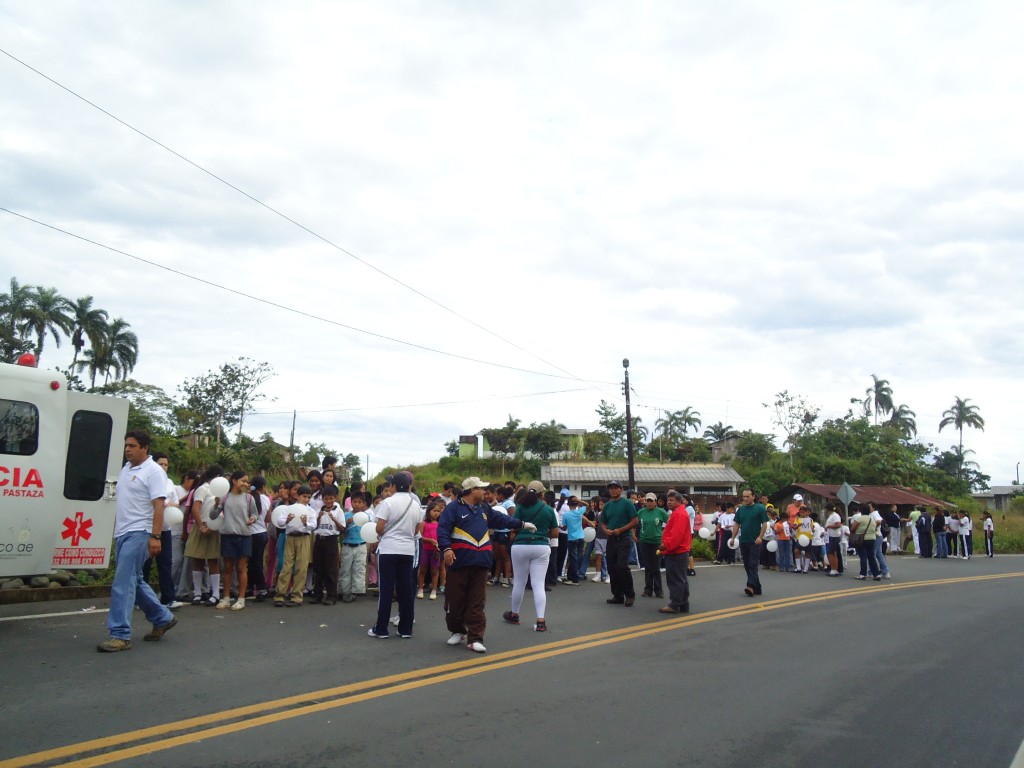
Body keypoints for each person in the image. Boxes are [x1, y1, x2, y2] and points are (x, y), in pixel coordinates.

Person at [97, 430, 176, 652]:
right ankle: (162, 617)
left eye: (132, 446)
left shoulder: (154, 472)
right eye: (126, 446)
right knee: (135, 579)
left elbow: (159, 505)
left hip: (140, 532)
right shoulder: (126, 469)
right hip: (123, 532)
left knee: (123, 582)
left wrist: (155, 536)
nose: (128, 449)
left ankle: (120, 634)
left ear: (144, 448)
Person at [437, 477, 534, 652]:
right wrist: (446, 549)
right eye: (481, 489)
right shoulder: (453, 509)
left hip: (481, 562)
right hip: (459, 562)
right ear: (472, 490)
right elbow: (442, 530)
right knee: (454, 601)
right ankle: (457, 631)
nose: (485, 492)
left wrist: (522, 524)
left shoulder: (484, 508)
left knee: (477, 602)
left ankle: (475, 638)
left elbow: (501, 520)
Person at [368, 471, 422, 639]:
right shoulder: (415, 505)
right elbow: (417, 530)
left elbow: (379, 527)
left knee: (386, 590)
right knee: (405, 590)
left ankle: (381, 629)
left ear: (393, 486)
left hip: (389, 549)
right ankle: (405, 629)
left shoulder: (387, 503)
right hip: (407, 551)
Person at [503, 481, 558, 632]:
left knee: (519, 582)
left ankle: (514, 614)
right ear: (542, 494)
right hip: (541, 547)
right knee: (538, 584)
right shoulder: (548, 509)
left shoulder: (520, 507)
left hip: (520, 546)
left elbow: (515, 525)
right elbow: (555, 533)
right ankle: (540, 620)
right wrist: (541, 534)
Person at [184, 465, 225, 606]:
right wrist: (201, 525)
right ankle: (197, 593)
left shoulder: (220, 492)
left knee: (213, 560)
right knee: (198, 560)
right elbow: (195, 509)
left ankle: (215, 595)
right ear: (218, 476)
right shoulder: (203, 489)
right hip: (202, 525)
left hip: (214, 527)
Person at [216, 470, 257, 610]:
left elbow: (255, 514)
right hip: (227, 535)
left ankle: (241, 598)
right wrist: (216, 505)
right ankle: (226, 598)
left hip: (244, 535)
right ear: (234, 481)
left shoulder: (249, 498)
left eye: (247, 481)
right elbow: (213, 514)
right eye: (243, 481)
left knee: (241, 568)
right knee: (227, 569)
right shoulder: (224, 497)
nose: (245, 484)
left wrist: (253, 519)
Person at [274, 484, 314, 606]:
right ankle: (280, 595)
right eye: (304, 496)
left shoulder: (310, 510)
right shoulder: (289, 508)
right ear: (297, 496)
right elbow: (280, 522)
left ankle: (296, 597)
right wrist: (287, 520)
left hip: (304, 538)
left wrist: (305, 523)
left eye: (308, 497)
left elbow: (313, 525)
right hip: (290, 537)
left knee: (301, 567)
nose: (306, 499)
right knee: (286, 566)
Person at [600, 480, 638, 607]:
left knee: (622, 566)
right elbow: (603, 522)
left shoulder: (627, 503)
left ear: (621, 490)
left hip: (624, 538)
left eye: (616, 488)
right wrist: (606, 530)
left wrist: (620, 530)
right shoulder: (607, 506)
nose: (613, 490)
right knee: (611, 567)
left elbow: (634, 521)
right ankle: (617, 595)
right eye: (611, 488)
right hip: (611, 539)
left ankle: (630, 594)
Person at [658, 490, 692, 614]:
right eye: (668, 500)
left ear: (679, 501)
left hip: (676, 551)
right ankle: (683, 604)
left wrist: (665, 544)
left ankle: (675, 604)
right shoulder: (678, 513)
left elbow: (676, 535)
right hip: (678, 551)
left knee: (675, 579)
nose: (669, 502)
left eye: (671, 500)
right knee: (681, 578)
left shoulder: (679, 514)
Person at [730, 489, 768, 597]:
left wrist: (760, 537)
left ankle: (750, 586)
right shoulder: (741, 509)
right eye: (744, 497)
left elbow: (765, 524)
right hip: (744, 540)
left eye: (747, 496)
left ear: (753, 496)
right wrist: (733, 538)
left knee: (752, 563)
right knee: (747, 564)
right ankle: (758, 587)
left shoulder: (760, 508)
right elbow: (737, 524)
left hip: (755, 541)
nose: (745, 498)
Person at [312, 484, 345, 605]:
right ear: (323, 499)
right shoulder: (318, 511)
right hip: (319, 540)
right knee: (318, 568)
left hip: (331, 540)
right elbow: (313, 527)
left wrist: (334, 519)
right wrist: (318, 518)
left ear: (335, 498)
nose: (328, 501)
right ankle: (318, 595)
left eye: (331, 498)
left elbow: (342, 529)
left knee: (331, 569)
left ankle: (331, 595)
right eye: (326, 499)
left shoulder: (338, 510)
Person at [340, 491, 371, 602]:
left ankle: (356, 591)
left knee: (359, 569)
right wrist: (347, 522)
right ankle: (345, 591)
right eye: (354, 501)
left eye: (359, 502)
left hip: (361, 545)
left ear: (363, 503)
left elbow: (369, 530)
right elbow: (341, 530)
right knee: (345, 568)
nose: (357, 504)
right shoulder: (346, 515)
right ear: (351, 502)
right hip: (347, 544)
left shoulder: (366, 516)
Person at [637, 492, 668, 598]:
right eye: (648, 501)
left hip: (657, 542)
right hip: (644, 542)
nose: (649, 503)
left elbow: (670, 524)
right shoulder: (641, 512)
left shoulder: (661, 512)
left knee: (656, 567)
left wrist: (665, 538)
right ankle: (648, 590)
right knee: (648, 567)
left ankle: (659, 590)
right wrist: (633, 535)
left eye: (651, 501)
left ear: (655, 502)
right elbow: (634, 524)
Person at [247, 476, 272, 601]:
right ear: (263, 487)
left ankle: (260, 588)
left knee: (252, 563)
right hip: (263, 534)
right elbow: (268, 518)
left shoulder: (247, 498)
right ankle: (253, 587)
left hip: (251, 534)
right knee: (256, 562)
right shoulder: (266, 499)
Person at [418, 497, 444, 600]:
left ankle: (434, 589)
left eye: (438, 511)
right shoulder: (424, 523)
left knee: (435, 570)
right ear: (429, 511)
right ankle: (420, 588)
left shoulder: (440, 524)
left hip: (436, 550)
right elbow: (420, 536)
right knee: (423, 569)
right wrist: (429, 540)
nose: (436, 513)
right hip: (425, 549)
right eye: (434, 511)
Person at [850, 505, 881, 581]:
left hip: (862, 539)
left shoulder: (860, 519)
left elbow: (853, 528)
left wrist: (856, 533)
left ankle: (863, 574)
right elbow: (875, 528)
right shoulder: (872, 519)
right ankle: (876, 574)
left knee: (863, 557)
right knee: (871, 557)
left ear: (861, 511)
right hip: (872, 539)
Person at [825, 504, 843, 576]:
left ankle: (834, 569)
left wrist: (829, 526)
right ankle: (834, 569)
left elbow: (838, 525)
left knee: (831, 553)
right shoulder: (831, 516)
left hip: (834, 536)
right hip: (830, 535)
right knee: (832, 553)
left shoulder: (835, 515)